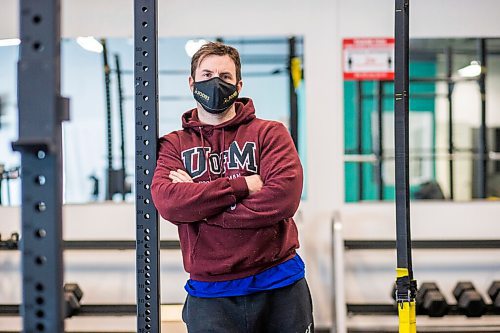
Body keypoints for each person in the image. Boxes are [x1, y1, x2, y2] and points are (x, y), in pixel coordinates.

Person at [151, 42, 313, 333]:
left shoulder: (269, 133)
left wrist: (202, 210)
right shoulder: (174, 144)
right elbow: (168, 202)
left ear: (238, 84)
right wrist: (242, 186)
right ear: (192, 83)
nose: (215, 83)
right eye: (207, 74)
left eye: (225, 77)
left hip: (279, 284)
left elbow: (283, 198)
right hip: (211, 293)